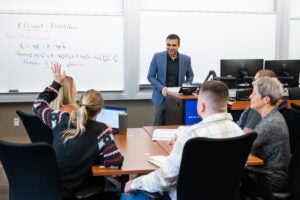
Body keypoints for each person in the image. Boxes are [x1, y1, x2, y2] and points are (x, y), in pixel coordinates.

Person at [122, 80, 244, 200]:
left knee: (129, 195)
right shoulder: (239, 132)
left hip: (185, 196)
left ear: (201, 106)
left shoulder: (190, 136)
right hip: (224, 196)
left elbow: (164, 179)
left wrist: (134, 183)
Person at [33, 63, 124, 199]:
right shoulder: (102, 131)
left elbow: (38, 105)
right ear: (99, 110)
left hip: (51, 187)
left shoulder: (59, 118)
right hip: (76, 191)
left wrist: (56, 83)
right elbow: (115, 162)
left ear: (80, 103)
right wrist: (101, 149)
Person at [241, 77, 291, 197]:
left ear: (266, 99)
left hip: (271, 180)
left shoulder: (270, 123)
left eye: (254, 94)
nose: (250, 97)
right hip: (268, 174)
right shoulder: (271, 117)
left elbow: (242, 149)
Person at [147, 33, 194, 125]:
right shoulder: (157, 57)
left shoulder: (186, 59)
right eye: (168, 45)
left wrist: (187, 84)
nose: (171, 48)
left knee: (176, 124)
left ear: (179, 45)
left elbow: (190, 75)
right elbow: (150, 77)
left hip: (178, 97)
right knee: (158, 124)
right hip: (161, 97)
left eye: (174, 45)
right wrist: (161, 88)